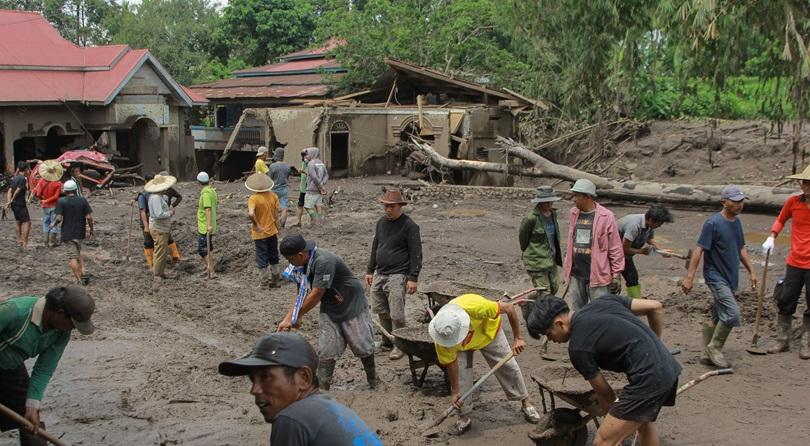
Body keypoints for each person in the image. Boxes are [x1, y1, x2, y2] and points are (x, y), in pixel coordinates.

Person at [527, 295, 681, 446]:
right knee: (643, 424)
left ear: (559, 323)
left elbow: (606, 395)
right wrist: (653, 344)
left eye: (548, 334)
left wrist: (613, 421)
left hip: (649, 378)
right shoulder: (604, 301)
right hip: (668, 365)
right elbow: (655, 306)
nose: (550, 340)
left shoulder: (579, 348)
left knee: (603, 440)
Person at [218, 332, 383, 446]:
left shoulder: (291, 419)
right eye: (252, 379)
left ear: (304, 378)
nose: (255, 390)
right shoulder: (329, 408)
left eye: (266, 377)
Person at [428, 294, 541, 435]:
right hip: (462, 347)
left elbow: (510, 308)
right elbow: (451, 363)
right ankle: (464, 416)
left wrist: (518, 338)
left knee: (508, 366)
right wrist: (455, 391)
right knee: (462, 378)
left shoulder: (475, 307)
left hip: (489, 333)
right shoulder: (442, 336)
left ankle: (526, 403)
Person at [277, 235, 377, 390]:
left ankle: (373, 379)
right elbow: (301, 294)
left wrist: (298, 315)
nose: (289, 263)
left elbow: (317, 293)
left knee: (361, 344)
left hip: (351, 302)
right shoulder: (301, 265)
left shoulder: (323, 261)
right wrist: (289, 318)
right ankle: (323, 387)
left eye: (290, 259)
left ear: (300, 255)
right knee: (327, 347)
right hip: (330, 304)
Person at [0, 285, 96, 446]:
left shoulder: (61, 333)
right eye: (73, 323)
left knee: (29, 419)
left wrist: (32, 405)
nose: (73, 328)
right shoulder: (14, 311)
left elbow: (44, 369)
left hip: (10, 366)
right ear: (59, 314)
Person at [682, 185, 757, 368]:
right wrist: (690, 277)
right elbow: (699, 249)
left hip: (731, 276)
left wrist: (752, 271)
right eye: (735, 201)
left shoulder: (737, 223)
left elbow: (741, 248)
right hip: (715, 277)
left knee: (717, 315)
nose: (740, 205)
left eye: (741, 201)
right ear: (724, 202)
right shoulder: (713, 223)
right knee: (732, 313)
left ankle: (705, 352)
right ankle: (714, 348)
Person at [365, 189, 422, 360]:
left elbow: (416, 253)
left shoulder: (410, 226)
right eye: (385, 206)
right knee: (380, 309)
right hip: (380, 272)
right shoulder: (381, 223)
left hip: (398, 274)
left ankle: (400, 344)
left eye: (392, 206)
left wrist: (413, 278)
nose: (388, 210)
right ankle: (387, 341)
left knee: (396, 313)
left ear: (400, 206)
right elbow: (376, 246)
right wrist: (370, 270)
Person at [762, 165, 810, 359]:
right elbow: (781, 220)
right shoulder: (793, 202)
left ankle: (806, 342)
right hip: (795, 261)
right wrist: (772, 236)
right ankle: (782, 339)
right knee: (786, 298)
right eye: (804, 182)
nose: (806, 186)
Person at [562, 179, 624, 310]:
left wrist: (616, 274)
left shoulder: (606, 216)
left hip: (598, 274)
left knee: (600, 311)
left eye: (576, 195)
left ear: (587, 197)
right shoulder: (574, 213)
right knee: (577, 312)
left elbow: (615, 247)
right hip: (576, 273)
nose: (573, 199)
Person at [518, 186, 563, 352]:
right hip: (536, 260)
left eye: (550, 201)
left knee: (555, 288)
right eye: (545, 202)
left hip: (551, 259)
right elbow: (523, 239)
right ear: (540, 202)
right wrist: (531, 253)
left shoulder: (553, 215)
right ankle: (545, 325)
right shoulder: (531, 218)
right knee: (546, 294)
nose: (549, 204)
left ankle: (529, 300)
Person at [617, 205, 674, 298]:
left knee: (633, 279)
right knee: (613, 284)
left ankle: (635, 304)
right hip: (611, 255)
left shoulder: (649, 226)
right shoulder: (634, 226)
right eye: (659, 224)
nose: (660, 226)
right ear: (651, 219)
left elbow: (649, 240)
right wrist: (641, 251)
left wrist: (660, 251)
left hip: (625, 255)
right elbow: (624, 248)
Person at [52, 180, 94, 285]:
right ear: (76, 190)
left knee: (72, 257)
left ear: (65, 191)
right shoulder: (83, 200)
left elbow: (59, 218)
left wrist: (54, 224)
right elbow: (89, 217)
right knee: (78, 252)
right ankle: (83, 271)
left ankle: (79, 279)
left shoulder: (61, 201)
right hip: (80, 231)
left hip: (67, 232)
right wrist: (91, 229)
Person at [136, 172, 180, 268]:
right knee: (149, 242)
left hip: (158, 222)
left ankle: (175, 257)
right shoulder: (144, 196)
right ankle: (152, 263)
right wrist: (146, 226)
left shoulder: (157, 195)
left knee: (168, 239)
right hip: (150, 221)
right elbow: (142, 211)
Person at [246, 173, 281, 287]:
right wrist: (278, 228)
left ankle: (264, 281)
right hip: (272, 231)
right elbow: (276, 216)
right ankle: (276, 277)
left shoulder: (253, 198)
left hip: (259, 234)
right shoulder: (274, 196)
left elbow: (251, 213)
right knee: (273, 254)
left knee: (261, 255)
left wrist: (256, 224)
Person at [145, 174, 177, 282]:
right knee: (159, 251)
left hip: (161, 227)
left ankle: (160, 272)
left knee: (162, 251)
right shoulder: (156, 198)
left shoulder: (157, 197)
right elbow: (159, 214)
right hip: (159, 228)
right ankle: (157, 274)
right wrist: (170, 213)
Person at [30, 160, 63, 248]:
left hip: (45, 206)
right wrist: (48, 200)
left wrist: (44, 200)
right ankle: (52, 242)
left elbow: (37, 194)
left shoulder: (41, 181)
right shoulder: (58, 183)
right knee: (54, 222)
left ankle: (46, 242)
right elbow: (56, 196)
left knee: (45, 222)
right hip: (55, 205)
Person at [158, 171, 184, 263]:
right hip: (157, 215)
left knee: (167, 233)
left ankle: (175, 256)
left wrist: (172, 205)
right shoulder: (156, 191)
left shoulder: (170, 190)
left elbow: (179, 197)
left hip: (167, 215)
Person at [5, 162, 31, 250]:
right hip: (20, 204)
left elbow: (9, 191)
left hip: (14, 204)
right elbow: (18, 190)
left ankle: (18, 240)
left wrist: (9, 202)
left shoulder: (14, 178)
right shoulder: (22, 179)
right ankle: (25, 243)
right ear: (26, 170)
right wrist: (12, 199)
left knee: (18, 221)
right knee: (27, 222)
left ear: (18, 169)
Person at [196, 172, 217, 278]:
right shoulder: (212, 191)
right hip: (209, 224)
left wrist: (208, 225)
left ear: (199, 183)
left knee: (202, 249)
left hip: (205, 226)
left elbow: (207, 209)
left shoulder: (205, 194)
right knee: (209, 248)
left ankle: (210, 269)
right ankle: (210, 268)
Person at [303, 147, 328, 226]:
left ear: (312, 153)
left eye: (308, 154)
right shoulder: (321, 163)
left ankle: (315, 219)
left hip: (311, 189)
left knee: (307, 207)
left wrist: (321, 186)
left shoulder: (311, 164)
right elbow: (326, 175)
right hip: (319, 190)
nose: (306, 156)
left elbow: (314, 177)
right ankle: (319, 221)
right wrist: (322, 184)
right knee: (317, 205)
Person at [269, 147, 291, 228]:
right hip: (284, 189)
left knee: (274, 208)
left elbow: (269, 179)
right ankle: (282, 224)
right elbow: (287, 177)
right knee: (284, 207)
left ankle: (275, 224)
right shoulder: (287, 166)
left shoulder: (272, 166)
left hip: (274, 190)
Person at [292, 148, 308, 227]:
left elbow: (312, 175)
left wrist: (303, 172)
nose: (304, 157)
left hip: (309, 188)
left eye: (305, 155)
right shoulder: (304, 163)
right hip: (303, 188)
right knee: (300, 204)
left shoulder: (311, 164)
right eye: (303, 155)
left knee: (310, 205)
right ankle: (299, 221)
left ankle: (314, 220)